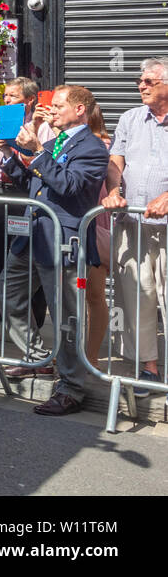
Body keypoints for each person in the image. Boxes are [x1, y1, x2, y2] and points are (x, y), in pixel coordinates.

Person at [0, 84, 109, 415]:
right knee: (7, 290)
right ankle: (37, 358)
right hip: (32, 234)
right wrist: (9, 155)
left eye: (59, 105)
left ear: (80, 110)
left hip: (63, 240)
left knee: (66, 317)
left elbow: (70, 186)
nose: (53, 109)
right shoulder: (51, 144)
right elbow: (34, 184)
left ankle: (72, 388)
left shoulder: (93, 148)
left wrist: (39, 154)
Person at [102, 56, 168, 396]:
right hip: (133, 222)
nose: (140, 86)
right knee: (137, 294)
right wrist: (114, 189)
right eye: (140, 82)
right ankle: (149, 367)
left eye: (148, 82)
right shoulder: (130, 117)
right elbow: (116, 159)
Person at [0, 78, 52, 340]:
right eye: (5, 95)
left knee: (27, 257)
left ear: (29, 100)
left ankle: (30, 324)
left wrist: (16, 149)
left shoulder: (41, 128)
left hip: (26, 194)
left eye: (13, 96)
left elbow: (46, 162)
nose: (7, 100)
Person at [84, 103, 114, 369]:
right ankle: (74, 353)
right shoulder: (60, 141)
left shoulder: (102, 146)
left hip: (93, 225)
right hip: (71, 227)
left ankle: (91, 356)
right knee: (74, 297)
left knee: (94, 294)